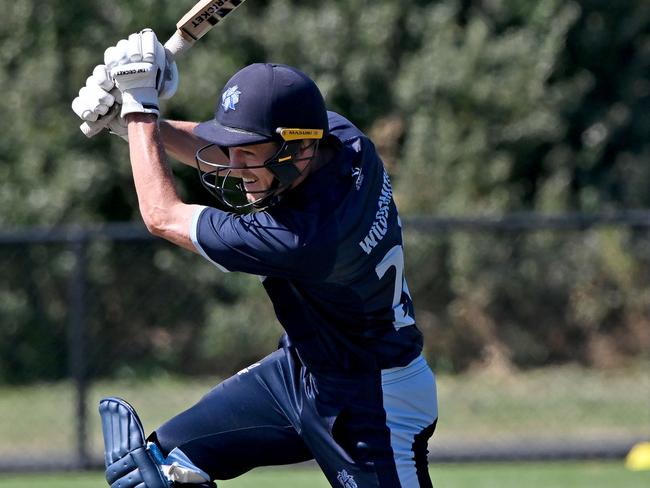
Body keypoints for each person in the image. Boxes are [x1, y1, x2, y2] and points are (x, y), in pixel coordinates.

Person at [73, 29, 438, 488]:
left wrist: (142, 109)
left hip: (373, 398)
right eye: (232, 149)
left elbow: (162, 215)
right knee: (151, 473)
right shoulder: (342, 140)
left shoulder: (303, 238)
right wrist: (130, 122)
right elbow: (228, 155)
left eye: (249, 153)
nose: (234, 166)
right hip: (301, 371)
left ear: (300, 149)